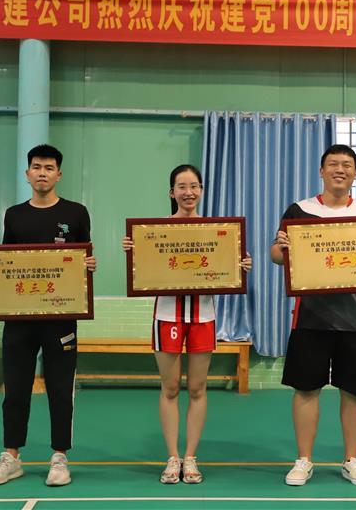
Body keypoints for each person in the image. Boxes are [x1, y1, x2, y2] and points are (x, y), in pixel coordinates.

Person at [270, 144, 356, 488]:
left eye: (347, 165)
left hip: (355, 321)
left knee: (355, 392)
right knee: (306, 389)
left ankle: (352, 460)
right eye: (333, 164)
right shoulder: (300, 210)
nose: (340, 169)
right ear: (321, 171)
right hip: (310, 318)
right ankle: (304, 459)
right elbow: (275, 253)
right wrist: (282, 249)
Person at [0, 144, 96, 487]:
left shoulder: (76, 213)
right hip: (19, 320)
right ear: (27, 174)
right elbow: (4, 263)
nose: (42, 173)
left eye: (49, 167)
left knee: (60, 389)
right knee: (16, 389)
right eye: (36, 167)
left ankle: (60, 457)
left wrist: (88, 265)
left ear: (59, 174)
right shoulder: (14, 215)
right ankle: (11, 457)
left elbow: (84, 259)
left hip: (61, 319)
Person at [122, 164, 252, 485]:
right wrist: (134, 252)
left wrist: (240, 265)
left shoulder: (218, 233)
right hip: (167, 316)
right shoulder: (154, 233)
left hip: (203, 317)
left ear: (202, 191)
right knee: (169, 388)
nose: (188, 192)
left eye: (194, 186)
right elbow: (146, 270)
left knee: (197, 388)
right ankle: (172, 458)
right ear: (172, 192)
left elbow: (226, 270)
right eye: (181, 186)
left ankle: (191, 457)